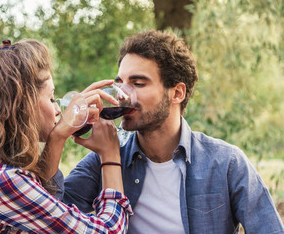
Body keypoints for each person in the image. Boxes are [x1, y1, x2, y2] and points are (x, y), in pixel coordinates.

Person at [63, 30, 284, 233]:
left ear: (177, 93)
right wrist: (64, 130)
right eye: (120, 84)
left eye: (138, 83)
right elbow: (46, 212)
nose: (122, 95)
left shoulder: (226, 162)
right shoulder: (107, 158)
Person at [0, 39, 133, 233]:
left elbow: (43, 201)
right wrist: (110, 154)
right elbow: (107, 231)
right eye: (51, 98)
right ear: (22, 106)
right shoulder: (2, 181)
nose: (59, 110)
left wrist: (59, 135)